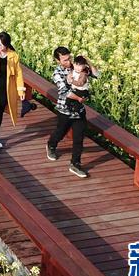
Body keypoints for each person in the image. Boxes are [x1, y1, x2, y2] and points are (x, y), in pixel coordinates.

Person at [46, 47, 100, 178]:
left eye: (69, 58)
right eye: (65, 60)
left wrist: (87, 61)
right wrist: (80, 98)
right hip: (65, 109)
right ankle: (51, 145)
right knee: (61, 132)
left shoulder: (77, 66)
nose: (69, 61)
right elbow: (65, 92)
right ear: (58, 60)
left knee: (79, 138)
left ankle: (75, 164)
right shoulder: (57, 73)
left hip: (79, 111)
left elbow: (97, 75)